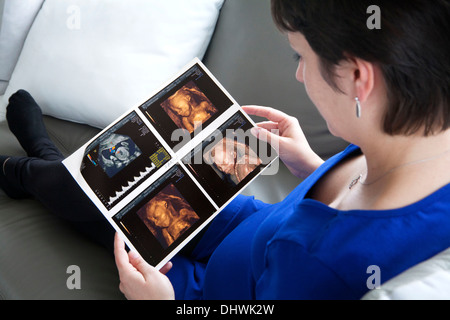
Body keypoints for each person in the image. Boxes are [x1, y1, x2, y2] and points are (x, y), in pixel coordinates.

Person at [1, 0, 450, 300]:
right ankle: (45, 163)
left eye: (300, 58)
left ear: (357, 78)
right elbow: (351, 198)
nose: (297, 76)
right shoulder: (415, 139)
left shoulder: (317, 262)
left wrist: (168, 303)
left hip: (202, 287)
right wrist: (312, 166)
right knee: (117, 175)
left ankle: (26, 170)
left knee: (96, 199)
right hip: (250, 225)